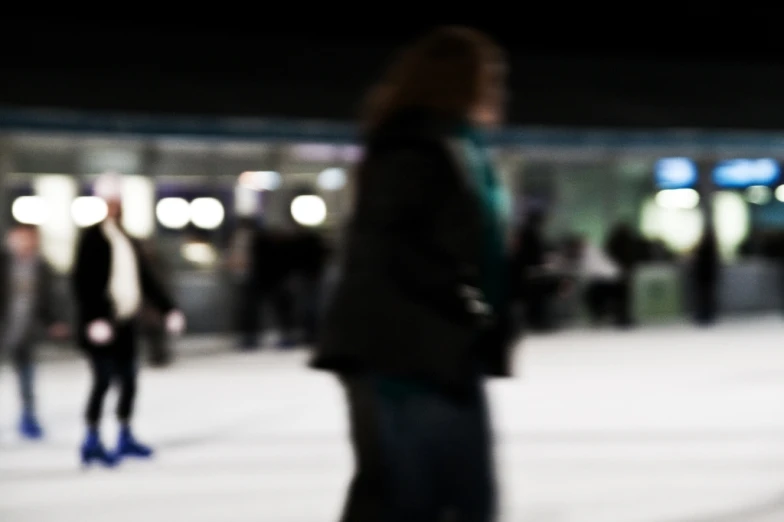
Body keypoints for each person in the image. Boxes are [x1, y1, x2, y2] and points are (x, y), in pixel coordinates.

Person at [311, 26, 515, 522]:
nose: (495, 88)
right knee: (419, 500)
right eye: (486, 76)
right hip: (408, 353)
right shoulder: (415, 147)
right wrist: (461, 299)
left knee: (428, 497)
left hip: (434, 345)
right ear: (455, 80)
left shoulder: (451, 147)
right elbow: (393, 245)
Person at [72, 172, 186, 467]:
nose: (114, 205)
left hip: (125, 323)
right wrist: (94, 319)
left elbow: (146, 280)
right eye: (109, 200)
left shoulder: (128, 239)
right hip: (101, 325)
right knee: (103, 380)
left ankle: (124, 434)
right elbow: (83, 283)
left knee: (129, 381)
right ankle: (92, 438)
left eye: (117, 200)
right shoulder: (92, 238)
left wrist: (168, 308)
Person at [0, 224, 69, 439]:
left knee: (26, 377)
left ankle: (28, 417)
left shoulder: (41, 266)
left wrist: (54, 321)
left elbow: (49, 300)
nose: (25, 243)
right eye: (20, 238)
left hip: (26, 331)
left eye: (29, 238)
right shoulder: (3, 263)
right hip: (5, 327)